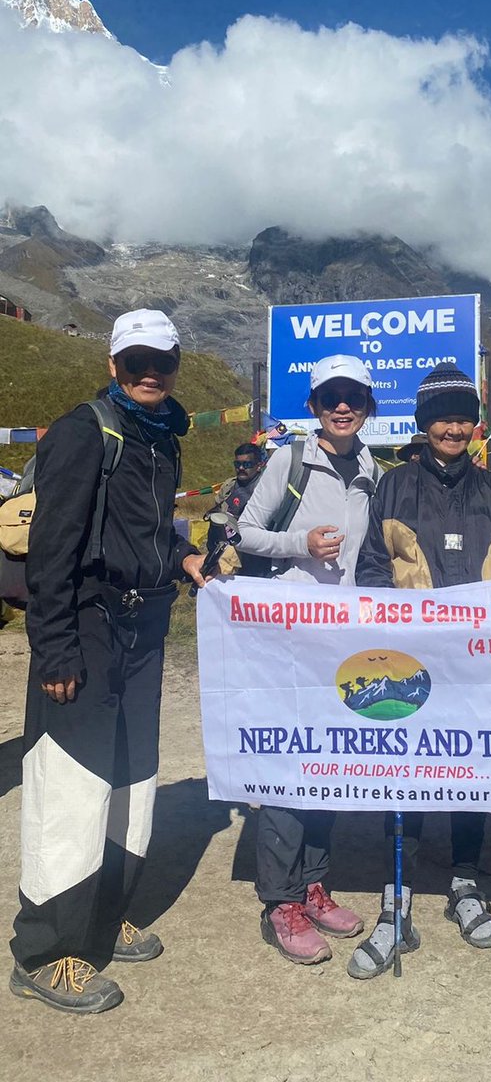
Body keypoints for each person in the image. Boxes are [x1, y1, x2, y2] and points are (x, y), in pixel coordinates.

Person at [9, 309, 206, 1014]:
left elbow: (148, 529)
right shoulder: (81, 431)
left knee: (131, 779)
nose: (151, 372)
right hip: (88, 629)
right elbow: (53, 550)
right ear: (113, 366)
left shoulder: (160, 438)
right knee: (69, 782)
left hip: (145, 627)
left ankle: (99, 919)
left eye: (163, 360)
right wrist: (55, 646)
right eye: (136, 361)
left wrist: (184, 557)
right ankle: (43, 952)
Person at [348, 362, 491, 980]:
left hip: (478, 663)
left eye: (463, 417)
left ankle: (464, 881)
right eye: (441, 418)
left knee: (469, 768)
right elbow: (371, 570)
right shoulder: (395, 486)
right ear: (424, 423)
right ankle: (394, 897)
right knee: (404, 774)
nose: (454, 428)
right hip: (410, 661)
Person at [237, 354, 381, 966]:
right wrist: (300, 543)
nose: (341, 406)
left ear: (368, 407)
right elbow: (241, 531)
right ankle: (281, 902)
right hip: (290, 637)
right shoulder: (290, 459)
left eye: (353, 397)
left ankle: (315, 886)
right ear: (314, 406)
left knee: (329, 766)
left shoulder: (375, 468)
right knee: (289, 763)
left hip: (346, 642)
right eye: (330, 398)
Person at [205, 442, 267, 574]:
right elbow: (217, 509)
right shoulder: (229, 486)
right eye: (237, 464)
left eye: (247, 464)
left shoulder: (265, 488)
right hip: (224, 550)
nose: (241, 468)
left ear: (259, 465)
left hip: (252, 553)